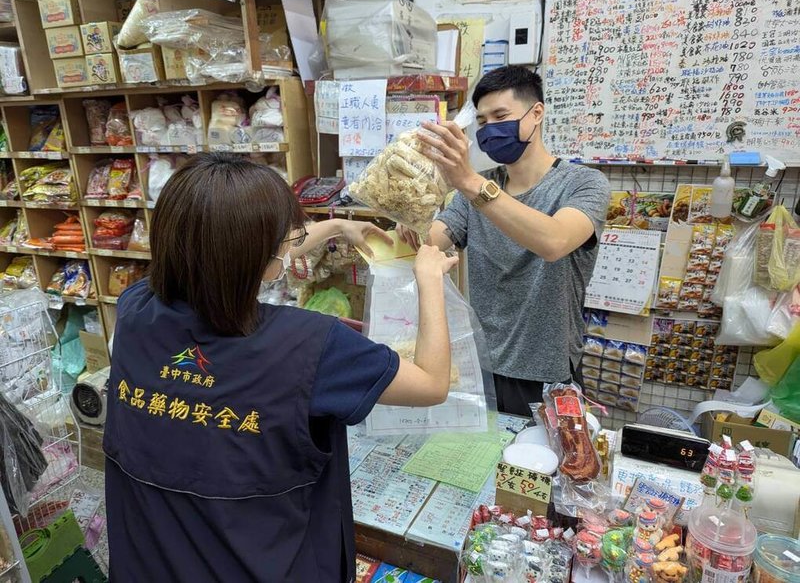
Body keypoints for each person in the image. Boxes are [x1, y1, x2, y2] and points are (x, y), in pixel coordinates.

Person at [103, 153, 458, 582]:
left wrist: (337, 227)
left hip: (152, 562)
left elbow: (224, 252)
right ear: (263, 258)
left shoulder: (135, 309)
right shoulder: (312, 344)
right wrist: (430, 280)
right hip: (265, 563)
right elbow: (432, 384)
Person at [399, 65, 611, 416]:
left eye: (500, 116)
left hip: (547, 372)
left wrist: (468, 181)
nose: (490, 129)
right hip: (479, 362)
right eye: (481, 122)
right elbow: (432, 241)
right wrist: (408, 211)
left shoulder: (583, 183)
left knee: (542, 466)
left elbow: (554, 241)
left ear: (536, 113)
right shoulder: (475, 188)